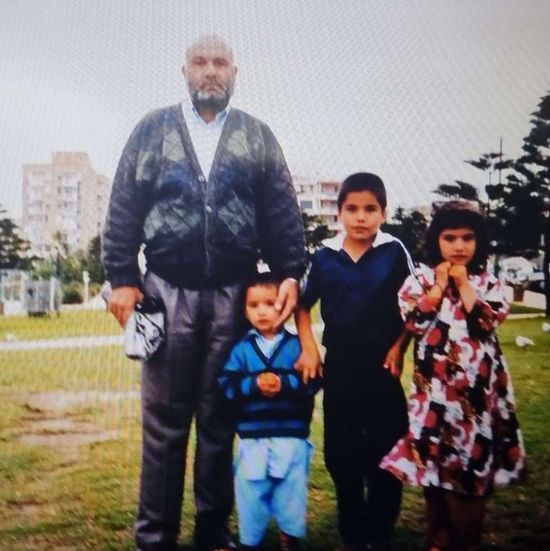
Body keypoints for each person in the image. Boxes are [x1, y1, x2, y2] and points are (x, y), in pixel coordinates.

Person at [102, 34, 307, 551]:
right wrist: (121, 277)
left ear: (236, 72)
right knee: (165, 428)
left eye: (220, 63)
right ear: (184, 71)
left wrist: (289, 272)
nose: (210, 71)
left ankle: (213, 534)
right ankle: (156, 538)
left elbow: (282, 212)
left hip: (234, 296)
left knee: (220, 421)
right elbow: (123, 205)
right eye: (200, 62)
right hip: (165, 293)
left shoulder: (258, 137)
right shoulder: (150, 130)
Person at [380, 200, 526, 551]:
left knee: (469, 467)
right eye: (450, 238)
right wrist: (438, 286)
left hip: (475, 396)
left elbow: (488, 322)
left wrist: (463, 286)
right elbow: (412, 321)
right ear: (436, 241)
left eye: (467, 238)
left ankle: (466, 538)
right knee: (434, 468)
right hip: (433, 395)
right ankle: (437, 537)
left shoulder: (488, 282)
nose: (459, 246)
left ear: (479, 242)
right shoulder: (420, 279)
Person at [295, 172, 415, 551]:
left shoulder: (395, 251)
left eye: (370, 209)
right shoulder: (325, 256)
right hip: (341, 367)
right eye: (352, 209)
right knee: (341, 452)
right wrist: (310, 348)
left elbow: (415, 308)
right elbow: (301, 306)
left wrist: (399, 348)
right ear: (339, 212)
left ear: (383, 213)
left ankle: (380, 529)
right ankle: (352, 527)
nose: (360, 217)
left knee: (388, 446)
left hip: (383, 367)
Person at [218, 273, 319, 551]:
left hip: (291, 436)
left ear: (286, 305)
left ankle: (290, 535)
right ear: (244, 310)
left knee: (291, 490)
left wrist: (285, 382)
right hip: (253, 437)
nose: (262, 311)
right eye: (254, 305)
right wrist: (253, 384)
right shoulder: (241, 349)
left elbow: (314, 381)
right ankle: (250, 539)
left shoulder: (298, 346)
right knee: (251, 489)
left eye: (270, 303)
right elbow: (226, 385)